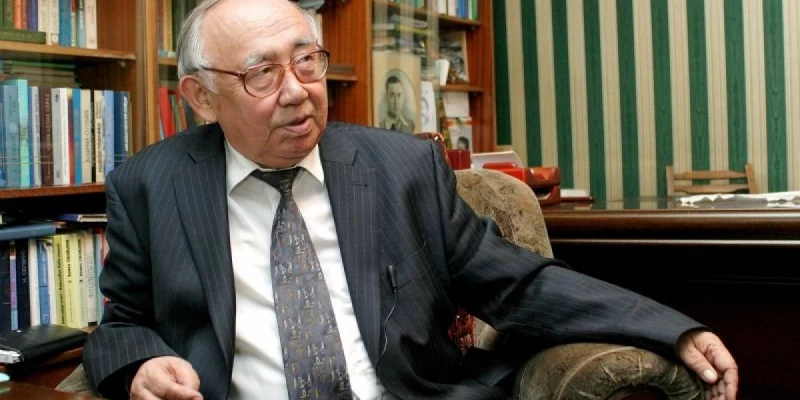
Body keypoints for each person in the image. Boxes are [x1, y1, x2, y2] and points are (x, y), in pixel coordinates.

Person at [82, 0, 739, 399]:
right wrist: (141, 365)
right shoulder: (151, 185)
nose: (297, 90)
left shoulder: (403, 168)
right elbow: (121, 324)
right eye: (262, 73)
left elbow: (518, 284)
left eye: (307, 61)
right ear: (201, 97)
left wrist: (670, 327)